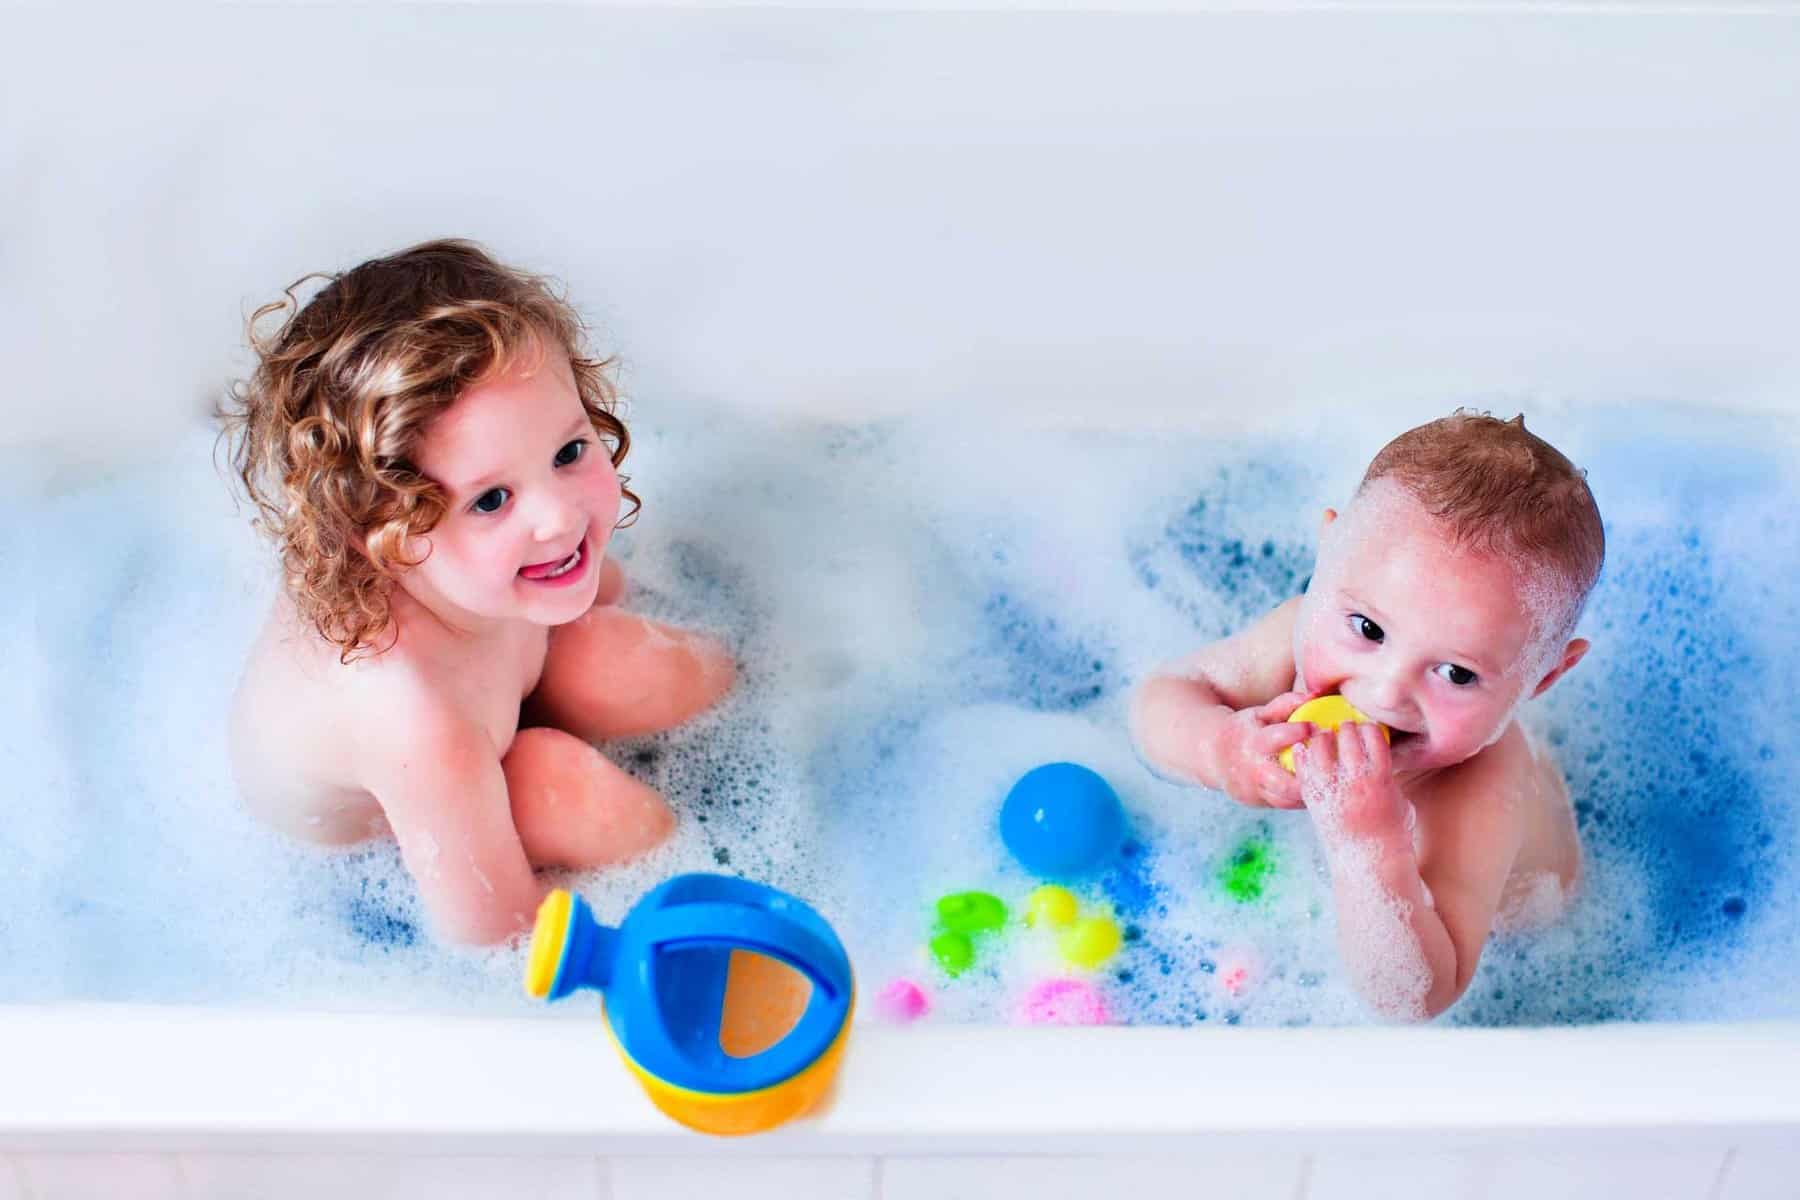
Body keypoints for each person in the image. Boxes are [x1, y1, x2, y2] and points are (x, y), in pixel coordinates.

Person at [220, 239, 735, 945]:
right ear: (389, 540)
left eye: (569, 452)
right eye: (492, 499)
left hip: (488, 695)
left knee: (637, 663)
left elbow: (597, 586)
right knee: (561, 789)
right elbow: (492, 934)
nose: (558, 517)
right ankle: (712, 891)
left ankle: (779, 715)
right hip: (422, 817)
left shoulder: (494, 565)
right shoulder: (415, 722)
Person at [1131, 411, 1603, 1020]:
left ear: (1544, 679)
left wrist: (1369, 848)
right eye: (1368, 629)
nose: (1383, 693)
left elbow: (1417, 996)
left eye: (1457, 673)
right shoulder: (1292, 632)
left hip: (1529, 931)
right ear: (1325, 555)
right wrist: (1217, 748)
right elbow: (1160, 698)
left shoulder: (1484, 785)